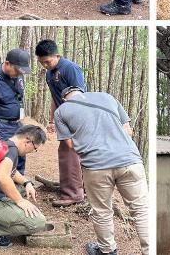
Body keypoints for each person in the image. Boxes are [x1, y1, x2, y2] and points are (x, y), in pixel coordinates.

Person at [54, 86, 148, 255]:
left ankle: (107, 251)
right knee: (141, 210)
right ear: (83, 91)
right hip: (130, 161)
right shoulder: (107, 97)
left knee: (102, 211)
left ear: (64, 98)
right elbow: (128, 130)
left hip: (96, 166)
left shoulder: (62, 111)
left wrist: (92, 149)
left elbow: (68, 144)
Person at [35, 39, 86, 207]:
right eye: (41, 63)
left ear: (57, 56)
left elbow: (80, 96)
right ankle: (83, 189)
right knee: (73, 153)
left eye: (47, 62)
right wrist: (52, 120)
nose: (45, 65)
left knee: (68, 152)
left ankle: (73, 194)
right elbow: (54, 98)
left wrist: (74, 121)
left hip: (76, 118)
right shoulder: (49, 73)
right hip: (63, 118)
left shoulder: (70, 68)